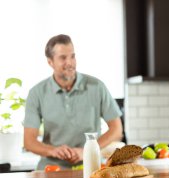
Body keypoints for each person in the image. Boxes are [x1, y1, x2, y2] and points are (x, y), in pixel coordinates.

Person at [24, 34, 123, 170]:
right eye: (63, 58)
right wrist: (52, 150)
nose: (70, 63)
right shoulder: (36, 93)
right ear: (50, 62)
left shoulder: (97, 87)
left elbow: (116, 129)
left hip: (91, 167)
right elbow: (29, 141)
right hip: (51, 169)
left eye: (72, 56)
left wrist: (86, 151)